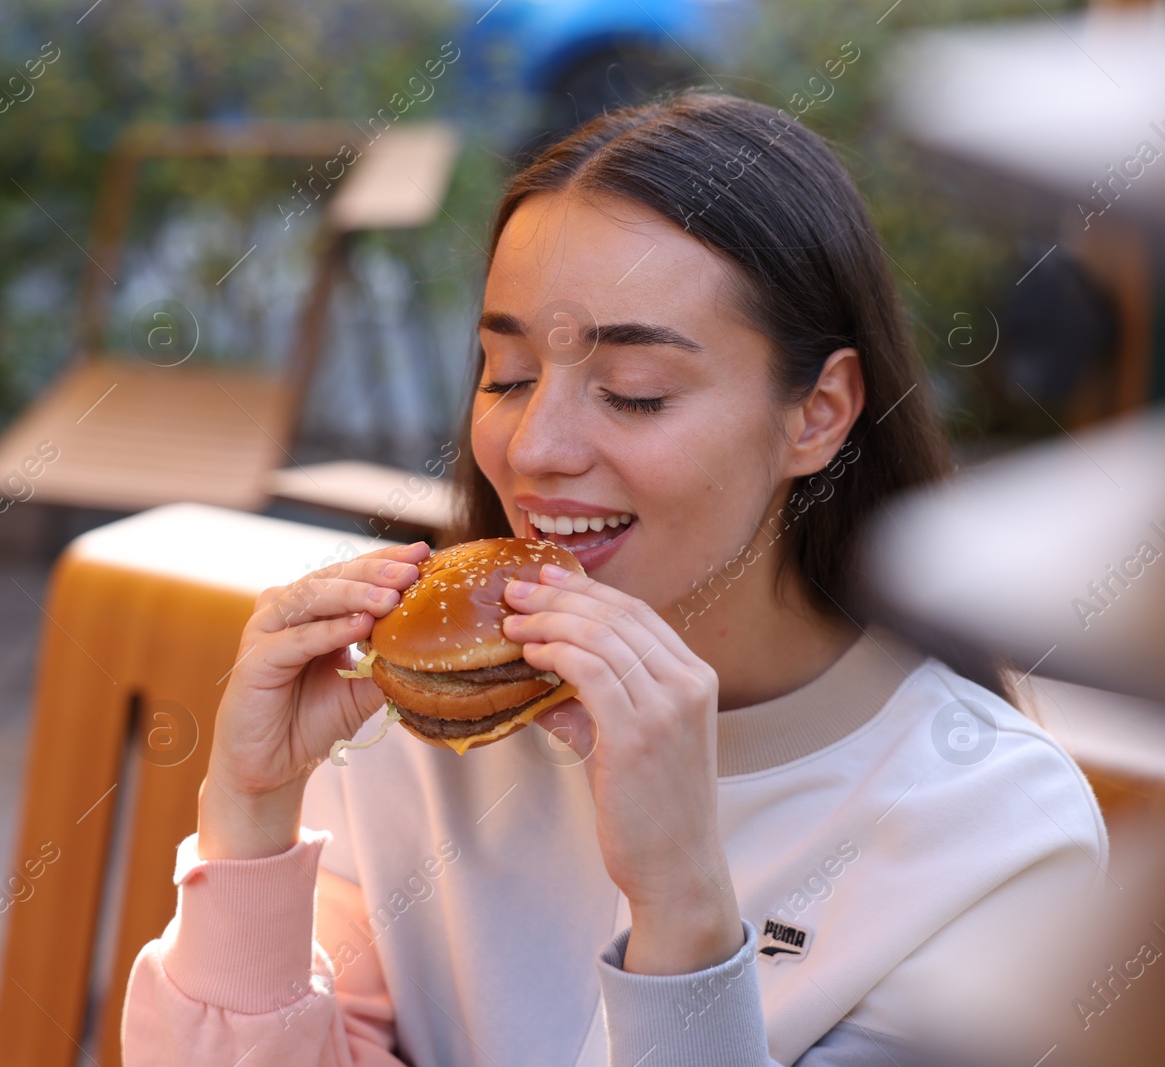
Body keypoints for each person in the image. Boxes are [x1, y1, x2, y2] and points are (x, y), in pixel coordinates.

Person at [119, 91, 1107, 1066]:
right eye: (504, 374)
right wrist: (247, 815)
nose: (535, 447)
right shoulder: (410, 718)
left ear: (817, 413)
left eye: (634, 393)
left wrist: (680, 902)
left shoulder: (993, 831)